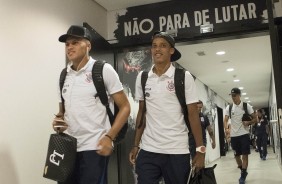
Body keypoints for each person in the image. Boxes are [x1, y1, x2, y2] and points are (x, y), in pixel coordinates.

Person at [52, 25, 130, 184]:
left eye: (75, 42)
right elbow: (63, 112)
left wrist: (109, 137)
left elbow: (125, 107)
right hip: (68, 148)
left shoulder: (103, 70)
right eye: (67, 44)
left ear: (88, 45)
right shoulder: (63, 76)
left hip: (94, 147)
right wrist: (58, 122)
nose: (70, 47)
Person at [129, 31, 205, 184]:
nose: (157, 49)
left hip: (176, 151)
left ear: (171, 50)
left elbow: (192, 115)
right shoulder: (143, 78)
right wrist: (136, 145)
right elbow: (142, 114)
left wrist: (200, 150)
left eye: (163, 46)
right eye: (154, 46)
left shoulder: (183, 77)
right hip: (149, 149)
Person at [223, 87, 256, 184]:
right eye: (232, 96)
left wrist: (249, 122)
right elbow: (225, 120)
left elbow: (255, 119)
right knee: (237, 156)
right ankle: (243, 170)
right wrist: (226, 129)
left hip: (244, 134)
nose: (233, 98)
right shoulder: (229, 108)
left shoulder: (246, 106)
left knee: (245, 155)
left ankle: (243, 175)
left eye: (235, 96)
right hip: (234, 136)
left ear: (239, 95)